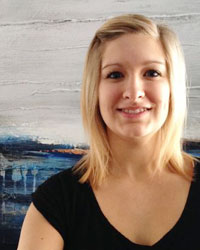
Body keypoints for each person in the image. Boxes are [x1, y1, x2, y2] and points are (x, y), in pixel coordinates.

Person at [17, 14, 199, 250]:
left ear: (172, 86)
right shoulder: (56, 202)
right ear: (95, 90)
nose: (134, 93)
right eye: (115, 75)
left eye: (152, 73)